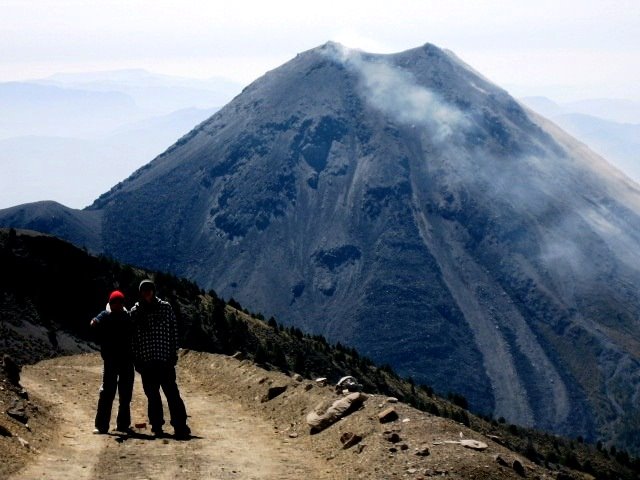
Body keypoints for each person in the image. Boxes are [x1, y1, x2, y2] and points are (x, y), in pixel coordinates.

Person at [131, 279, 190, 439]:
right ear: (140, 292)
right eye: (144, 290)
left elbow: (173, 332)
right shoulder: (135, 312)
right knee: (152, 394)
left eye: (149, 290)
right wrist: (136, 359)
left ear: (153, 291)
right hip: (146, 360)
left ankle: (180, 425)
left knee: (171, 393)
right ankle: (156, 425)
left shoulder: (165, 307)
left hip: (165, 359)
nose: (147, 293)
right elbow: (133, 338)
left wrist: (173, 354)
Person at [90, 290, 134, 434]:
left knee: (124, 393)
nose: (117, 305)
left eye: (119, 302)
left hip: (123, 359)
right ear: (111, 303)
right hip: (113, 360)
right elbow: (94, 323)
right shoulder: (108, 315)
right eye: (115, 302)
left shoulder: (124, 316)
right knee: (109, 392)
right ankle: (104, 426)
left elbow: (94, 324)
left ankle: (120, 425)